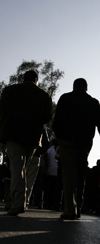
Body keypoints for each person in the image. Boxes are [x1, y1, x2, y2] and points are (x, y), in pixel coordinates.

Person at [52, 78, 100, 220]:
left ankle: (69, 209)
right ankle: (78, 206)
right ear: (86, 88)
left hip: (67, 141)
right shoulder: (93, 102)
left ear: (73, 87)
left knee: (68, 174)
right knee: (80, 174)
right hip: (84, 143)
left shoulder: (65, 98)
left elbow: (56, 121)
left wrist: (59, 138)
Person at [0, 70, 52, 216]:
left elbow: (2, 110)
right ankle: (15, 201)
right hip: (32, 137)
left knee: (17, 168)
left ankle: (17, 203)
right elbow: (47, 117)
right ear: (36, 79)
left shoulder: (9, 91)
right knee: (22, 168)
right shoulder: (44, 95)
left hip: (13, 134)